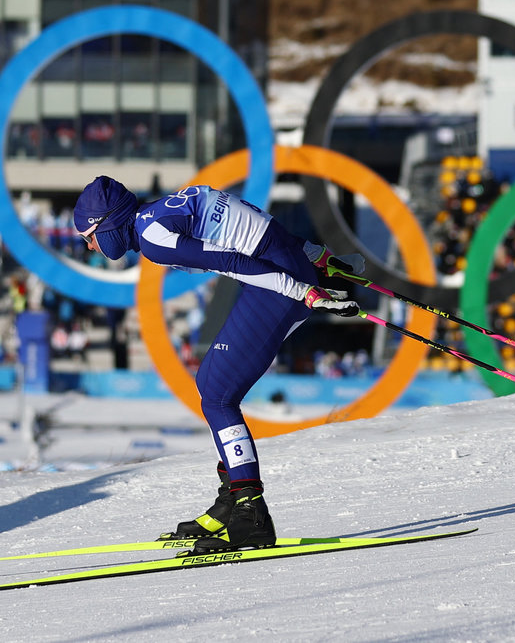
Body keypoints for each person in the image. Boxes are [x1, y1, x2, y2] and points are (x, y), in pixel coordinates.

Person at [73, 176, 363, 551]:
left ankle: (249, 510)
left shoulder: (153, 239)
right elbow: (259, 224)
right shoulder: (164, 210)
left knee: (216, 395)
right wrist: (315, 255)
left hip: (277, 284)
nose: (91, 246)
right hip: (283, 269)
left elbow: (231, 260)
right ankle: (231, 502)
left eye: (89, 236)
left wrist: (305, 292)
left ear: (109, 223)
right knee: (211, 384)